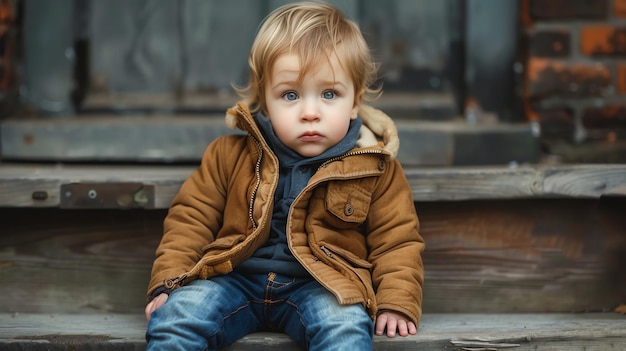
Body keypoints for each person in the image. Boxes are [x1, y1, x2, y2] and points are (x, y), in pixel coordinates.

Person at [144, 1, 425, 350]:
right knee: (177, 317)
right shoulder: (229, 155)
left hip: (323, 284)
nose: (310, 112)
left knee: (347, 325)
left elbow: (396, 240)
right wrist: (169, 281)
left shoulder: (374, 167)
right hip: (234, 278)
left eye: (329, 94)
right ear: (265, 99)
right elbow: (190, 219)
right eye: (290, 95)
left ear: (355, 102)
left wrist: (397, 302)